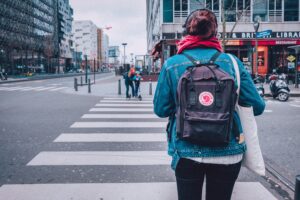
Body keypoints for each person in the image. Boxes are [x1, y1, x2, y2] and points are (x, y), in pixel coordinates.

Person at [153, 9, 265, 200]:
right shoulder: (232, 63)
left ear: (186, 33)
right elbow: (257, 105)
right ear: (215, 33)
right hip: (228, 150)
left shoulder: (172, 64)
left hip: (186, 150)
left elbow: (161, 109)